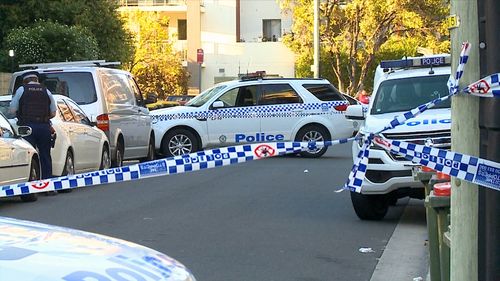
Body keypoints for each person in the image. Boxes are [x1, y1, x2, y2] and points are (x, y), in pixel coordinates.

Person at [10, 71, 57, 179]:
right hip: (44, 127)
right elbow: (53, 113)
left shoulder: (21, 90)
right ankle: (48, 183)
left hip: (27, 128)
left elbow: (13, 110)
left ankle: (33, 182)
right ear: (36, 80)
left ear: (25, 81)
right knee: (45, 155)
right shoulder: (46, 91)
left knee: (30, 155)